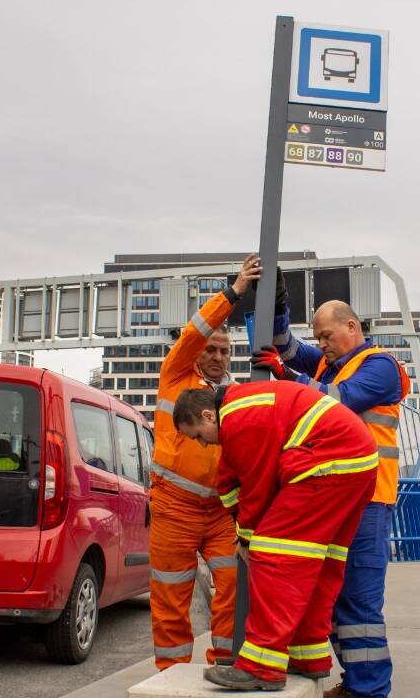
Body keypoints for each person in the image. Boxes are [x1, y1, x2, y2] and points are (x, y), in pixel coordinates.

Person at [250, 288, 409, 698]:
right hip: (337, 497)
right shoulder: (329, 361)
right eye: (318, 338)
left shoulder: (381, 367)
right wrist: (281, 307)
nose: (320, 345)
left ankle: (369, 691)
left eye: (326, 336)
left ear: (352, 327)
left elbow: (338, 401)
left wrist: (287, 378)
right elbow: (286, 347)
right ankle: (356, 683)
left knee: (359, 603)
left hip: (370, 501)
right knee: (334, 599)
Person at [173, 381, 378, 691]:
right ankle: (308, 656)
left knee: (274, 557)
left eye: (199, 435)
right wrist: (238, 523)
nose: (202, 445)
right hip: (355, 462)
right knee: (320, 564)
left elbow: (258, 486)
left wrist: (247, 540)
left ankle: (260, 667)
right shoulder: (246, 407)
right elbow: (229, 480)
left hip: (325, 461)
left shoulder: (239, 418)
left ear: (208, 415)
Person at [149, 253, 261, 670]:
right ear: (198, 354)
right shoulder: (177, 376)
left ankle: (224, 666)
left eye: (225, 351)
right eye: (211, 349)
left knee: (233, 583)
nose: (217, 356)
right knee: (170, 592)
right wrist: (233, 293)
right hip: (173, 507)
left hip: (219, 511)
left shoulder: (236, 395)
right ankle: (171, 673)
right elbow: (193, 333)